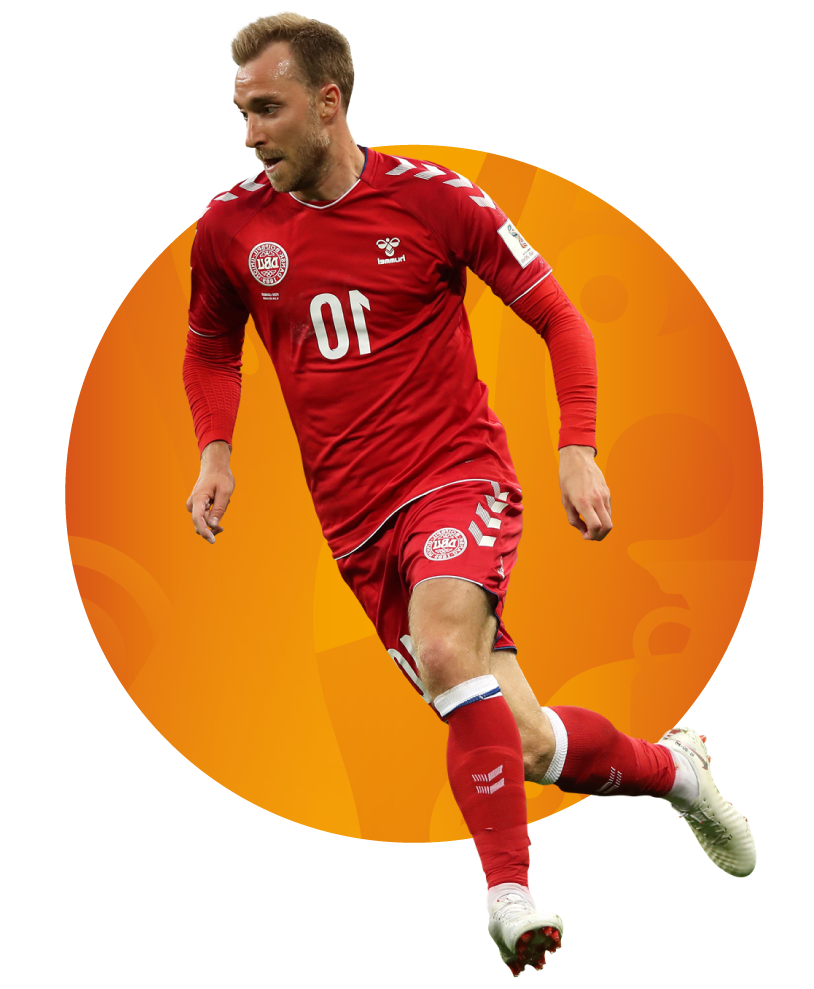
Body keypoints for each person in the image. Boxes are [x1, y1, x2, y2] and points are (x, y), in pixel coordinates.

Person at [182, 11, 756, 977]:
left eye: (267, 109)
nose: (249, 134)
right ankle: (677, 772)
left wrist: (578, 447)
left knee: (449, 647)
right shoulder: (230, 228)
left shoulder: (434, 200)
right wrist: (215, 453)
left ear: (328, 102)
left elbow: (559, 315)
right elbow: (209, 347)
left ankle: (508, 898)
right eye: (242, 112)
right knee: (521, 742)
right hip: (355, 526)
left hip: (457, 475)